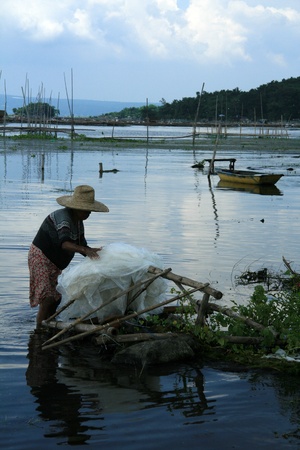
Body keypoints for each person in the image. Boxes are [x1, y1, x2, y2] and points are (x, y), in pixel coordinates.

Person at [28, 185, 109, 324]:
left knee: (56, 298)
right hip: (41, 257)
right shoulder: (63, 217)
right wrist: (85, 251)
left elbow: (82, 245)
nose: (89, 213)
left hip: (54, 263)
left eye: (90, 210)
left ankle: (49, 323)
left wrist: (93, 253)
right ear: (76, 208)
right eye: (86, 210)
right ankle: (39, 331)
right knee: (47, 299)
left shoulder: (78, 223)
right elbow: (64, 244)